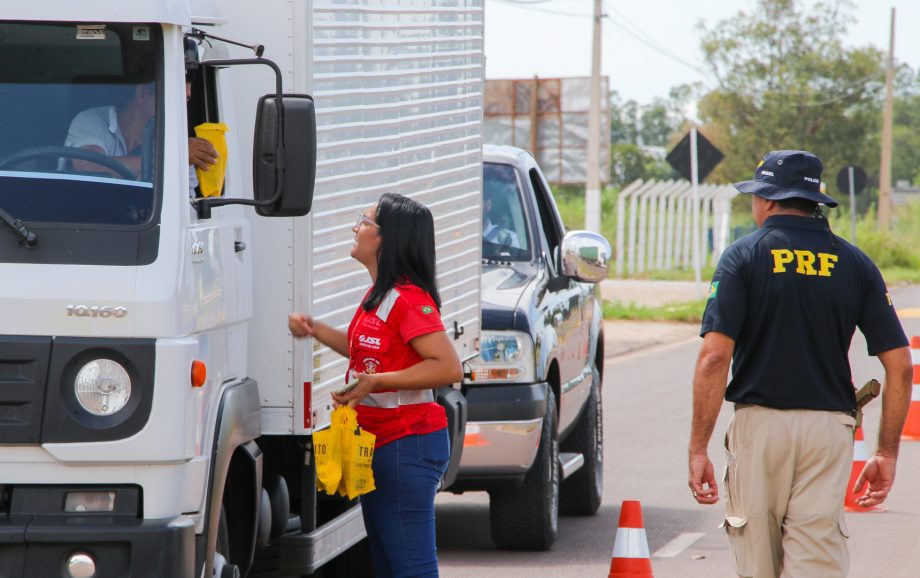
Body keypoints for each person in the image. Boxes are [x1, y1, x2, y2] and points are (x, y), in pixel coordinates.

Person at [687, 150, 912, 578]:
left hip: (761, 430)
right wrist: (885, 452)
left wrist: (698, 447)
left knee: (758, 563)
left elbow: (715, 357)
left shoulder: (744, 256)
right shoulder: (856, 263)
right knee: (816, 566)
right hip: (829, 434)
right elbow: (900, 366)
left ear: (768, 200)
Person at [288, 193, 462, 578]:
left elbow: (448, 367)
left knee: (411, 569)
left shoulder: (408, 299)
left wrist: (376, 382)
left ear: (387, 238)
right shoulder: (379, 295)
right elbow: (361, 349)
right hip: (381, 444)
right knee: (387, 566)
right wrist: (314, 330)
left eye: (364, 222)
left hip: (407, 444)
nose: (356, 228)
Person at [63, 40, 218, 183]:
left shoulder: (175, 142)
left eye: (186, 100)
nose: (180, 109)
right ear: (142, 94)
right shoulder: (92, 120)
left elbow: (186, 203)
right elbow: (88, 166)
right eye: (174, 100)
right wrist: (172, 157)